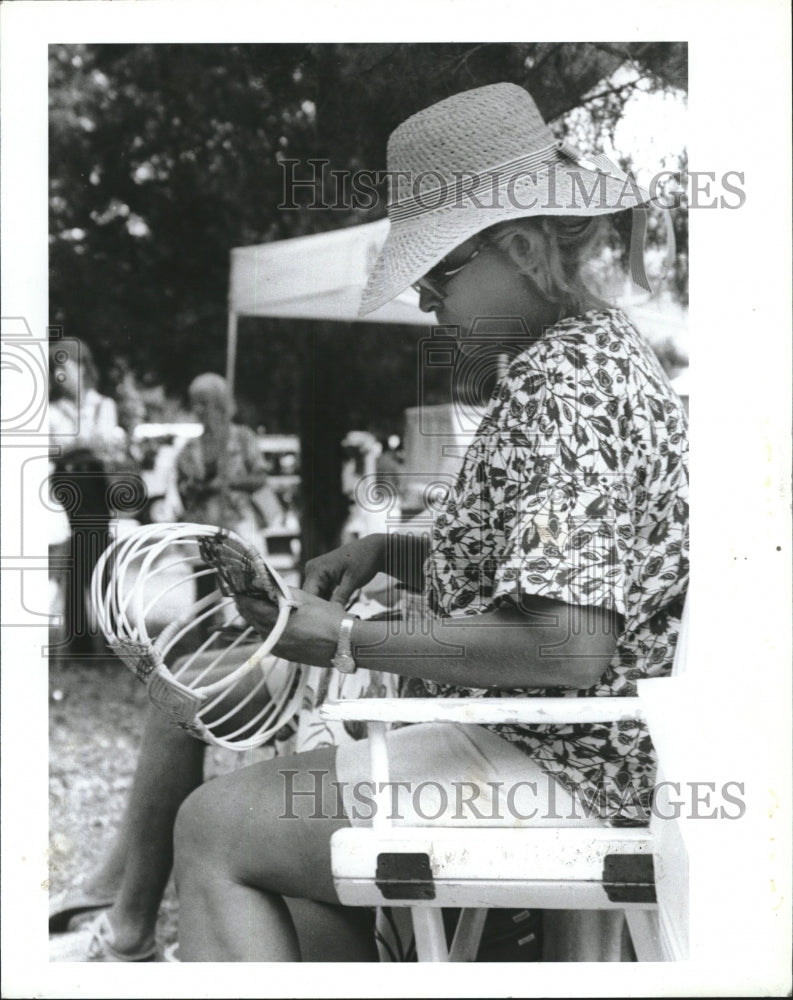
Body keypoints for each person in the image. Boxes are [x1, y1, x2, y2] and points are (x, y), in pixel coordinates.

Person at [168, 82, 689, 961]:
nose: (422, 301)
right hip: (578, 753)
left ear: (521, 247)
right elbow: (547, 572)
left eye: (436, 273)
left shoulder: (562, 391)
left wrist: (346, 639)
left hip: (567, 771)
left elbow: (568, 643)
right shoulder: (596, 353)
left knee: (214, 826)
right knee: (293, 860)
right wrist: (389, 550)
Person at [49, 338, 127, 658]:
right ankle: (83, 640)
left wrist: (79, 441)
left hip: (95, 484)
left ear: (82, 367)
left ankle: (112, 639)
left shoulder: (102, 404)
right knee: (79, 556)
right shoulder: (55, 409)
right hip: (69, 484)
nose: (58, 375)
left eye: (64, 366)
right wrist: (86, 440)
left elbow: (105, 442)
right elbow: (58, 446)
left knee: (98, 556)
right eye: (55, 368)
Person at [176, 373, 270, 553]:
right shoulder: (189, 449)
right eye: (194, 403)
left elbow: (261, 478)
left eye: (204, 403)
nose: (198, 409)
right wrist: (194, 487)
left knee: (247, 576)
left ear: (219, 403)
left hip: (239, 523)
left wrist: (229, 482)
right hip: (202, 527)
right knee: (205, 577)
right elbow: (182, 488)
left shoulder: (243, 438)